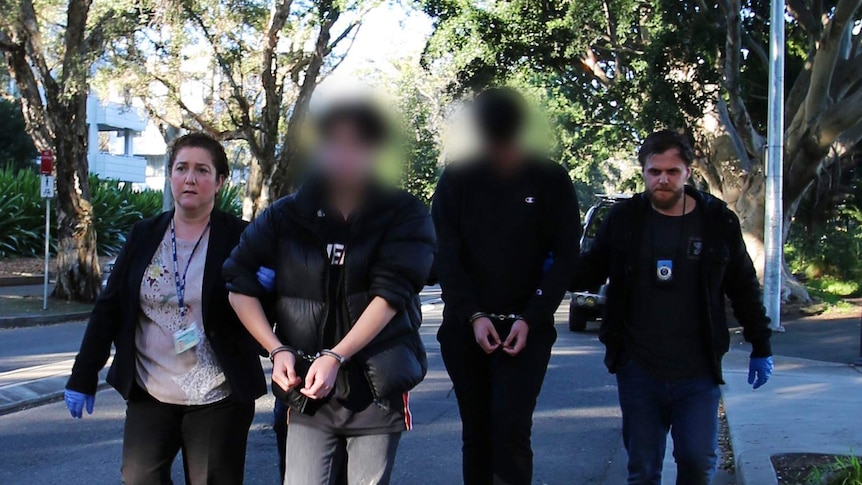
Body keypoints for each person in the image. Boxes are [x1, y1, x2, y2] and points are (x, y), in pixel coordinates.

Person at [224, 100, 436, 485]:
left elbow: (391, 294)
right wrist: (276, 348)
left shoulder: (404, 213)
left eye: (356, 144)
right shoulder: (285, 216)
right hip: (307, 392)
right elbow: (238, 283)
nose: (343, 155)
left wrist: (337, 355)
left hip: (376, 387)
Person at [64, 133, 266, 484]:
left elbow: (269, 307)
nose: (190, 179)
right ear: (170, 175)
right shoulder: (144, 234)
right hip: (151, 390)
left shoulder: (242, 238)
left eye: (202, 170)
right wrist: (83, 376)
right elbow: (109, 309)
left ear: (219, 181)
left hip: (218, 393)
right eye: (181, 168)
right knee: (139, 477)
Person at [577, 130, 774, 485]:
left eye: (672, 171)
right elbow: (589, 270)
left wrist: (761, 345)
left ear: (688, 171)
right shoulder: (625, 220)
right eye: (655, 172)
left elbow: (743, 285)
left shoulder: (716, 221)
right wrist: (549, 264)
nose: (663, 179)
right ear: (644, 172)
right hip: (639, 369)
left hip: (698, 371)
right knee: (643, 471)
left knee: (697, 463)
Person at [432, 87, 581, 485]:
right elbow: (446, 254)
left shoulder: (550, 179)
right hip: (466, 331)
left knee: (511, 429)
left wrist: (532, 318)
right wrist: (474, 315)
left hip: (527, 330)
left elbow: (566, 255)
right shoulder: (457, 179)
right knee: (477, 432)